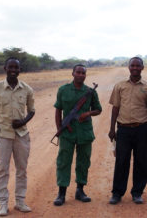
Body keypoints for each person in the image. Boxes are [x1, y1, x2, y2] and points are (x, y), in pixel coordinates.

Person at [108, 57, 147, 205]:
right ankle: (117, 193)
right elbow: (115, 108)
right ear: (129, 67)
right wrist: (112, 129)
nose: (135, 68)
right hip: (123, 129)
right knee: (121, 161)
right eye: (133, 65)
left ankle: (137, 192)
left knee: (141, 162)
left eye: (138, 65)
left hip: (141, 129)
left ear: (142, 67)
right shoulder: (120, 86)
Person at [0, 57, 35, 216]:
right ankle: (3, 204)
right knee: (2, 170)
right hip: (3, 135)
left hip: (22, 134)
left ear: (20, 70)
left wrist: (22, 121)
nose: (14, 70)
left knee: (22, 169)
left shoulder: (27, 89)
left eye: (17, 68)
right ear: (5, 68)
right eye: (11, 67)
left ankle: (20, 201)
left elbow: (32, 111)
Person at [53, 64, 102, 206]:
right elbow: (58, 110)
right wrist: (59, 129)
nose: (81, 75)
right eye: (78, 72)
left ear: (85, 75)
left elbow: (98, 109)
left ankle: (80, 191)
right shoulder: (63, 90)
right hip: (67, 133)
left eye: (83, 73)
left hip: (84, 132)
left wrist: (88, 113)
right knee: (63, 161)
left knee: (83, 162)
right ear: (72, 73)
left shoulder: (90, 92)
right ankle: (61, 193)